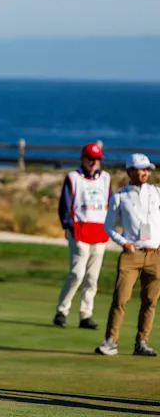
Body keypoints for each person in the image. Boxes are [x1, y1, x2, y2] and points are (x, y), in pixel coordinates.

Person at [95, 153, 160, 356]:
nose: (145, 172)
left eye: (147, 169)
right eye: (141, 169)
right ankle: (111, 341)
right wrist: (125, 243)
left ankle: (142, 342)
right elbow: (109, 226)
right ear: (129, 171)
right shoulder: (120, 196)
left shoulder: (157, 192)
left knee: (150, 301)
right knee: (121, 298)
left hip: (155, 254)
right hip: (131, 255)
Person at [53, 142, 111, 329]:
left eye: (97, 159)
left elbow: (110, 203)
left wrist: (111, 227)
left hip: (99, 233)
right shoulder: (73, 178)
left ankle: (86, 315)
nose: (94, 162)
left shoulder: (105, 178)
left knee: (92, 278)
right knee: (77, 274)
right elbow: (65, 205)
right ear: (83, 159)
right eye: (90, 159)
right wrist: (70, 227)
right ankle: (62, 311)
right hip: (79, 231)